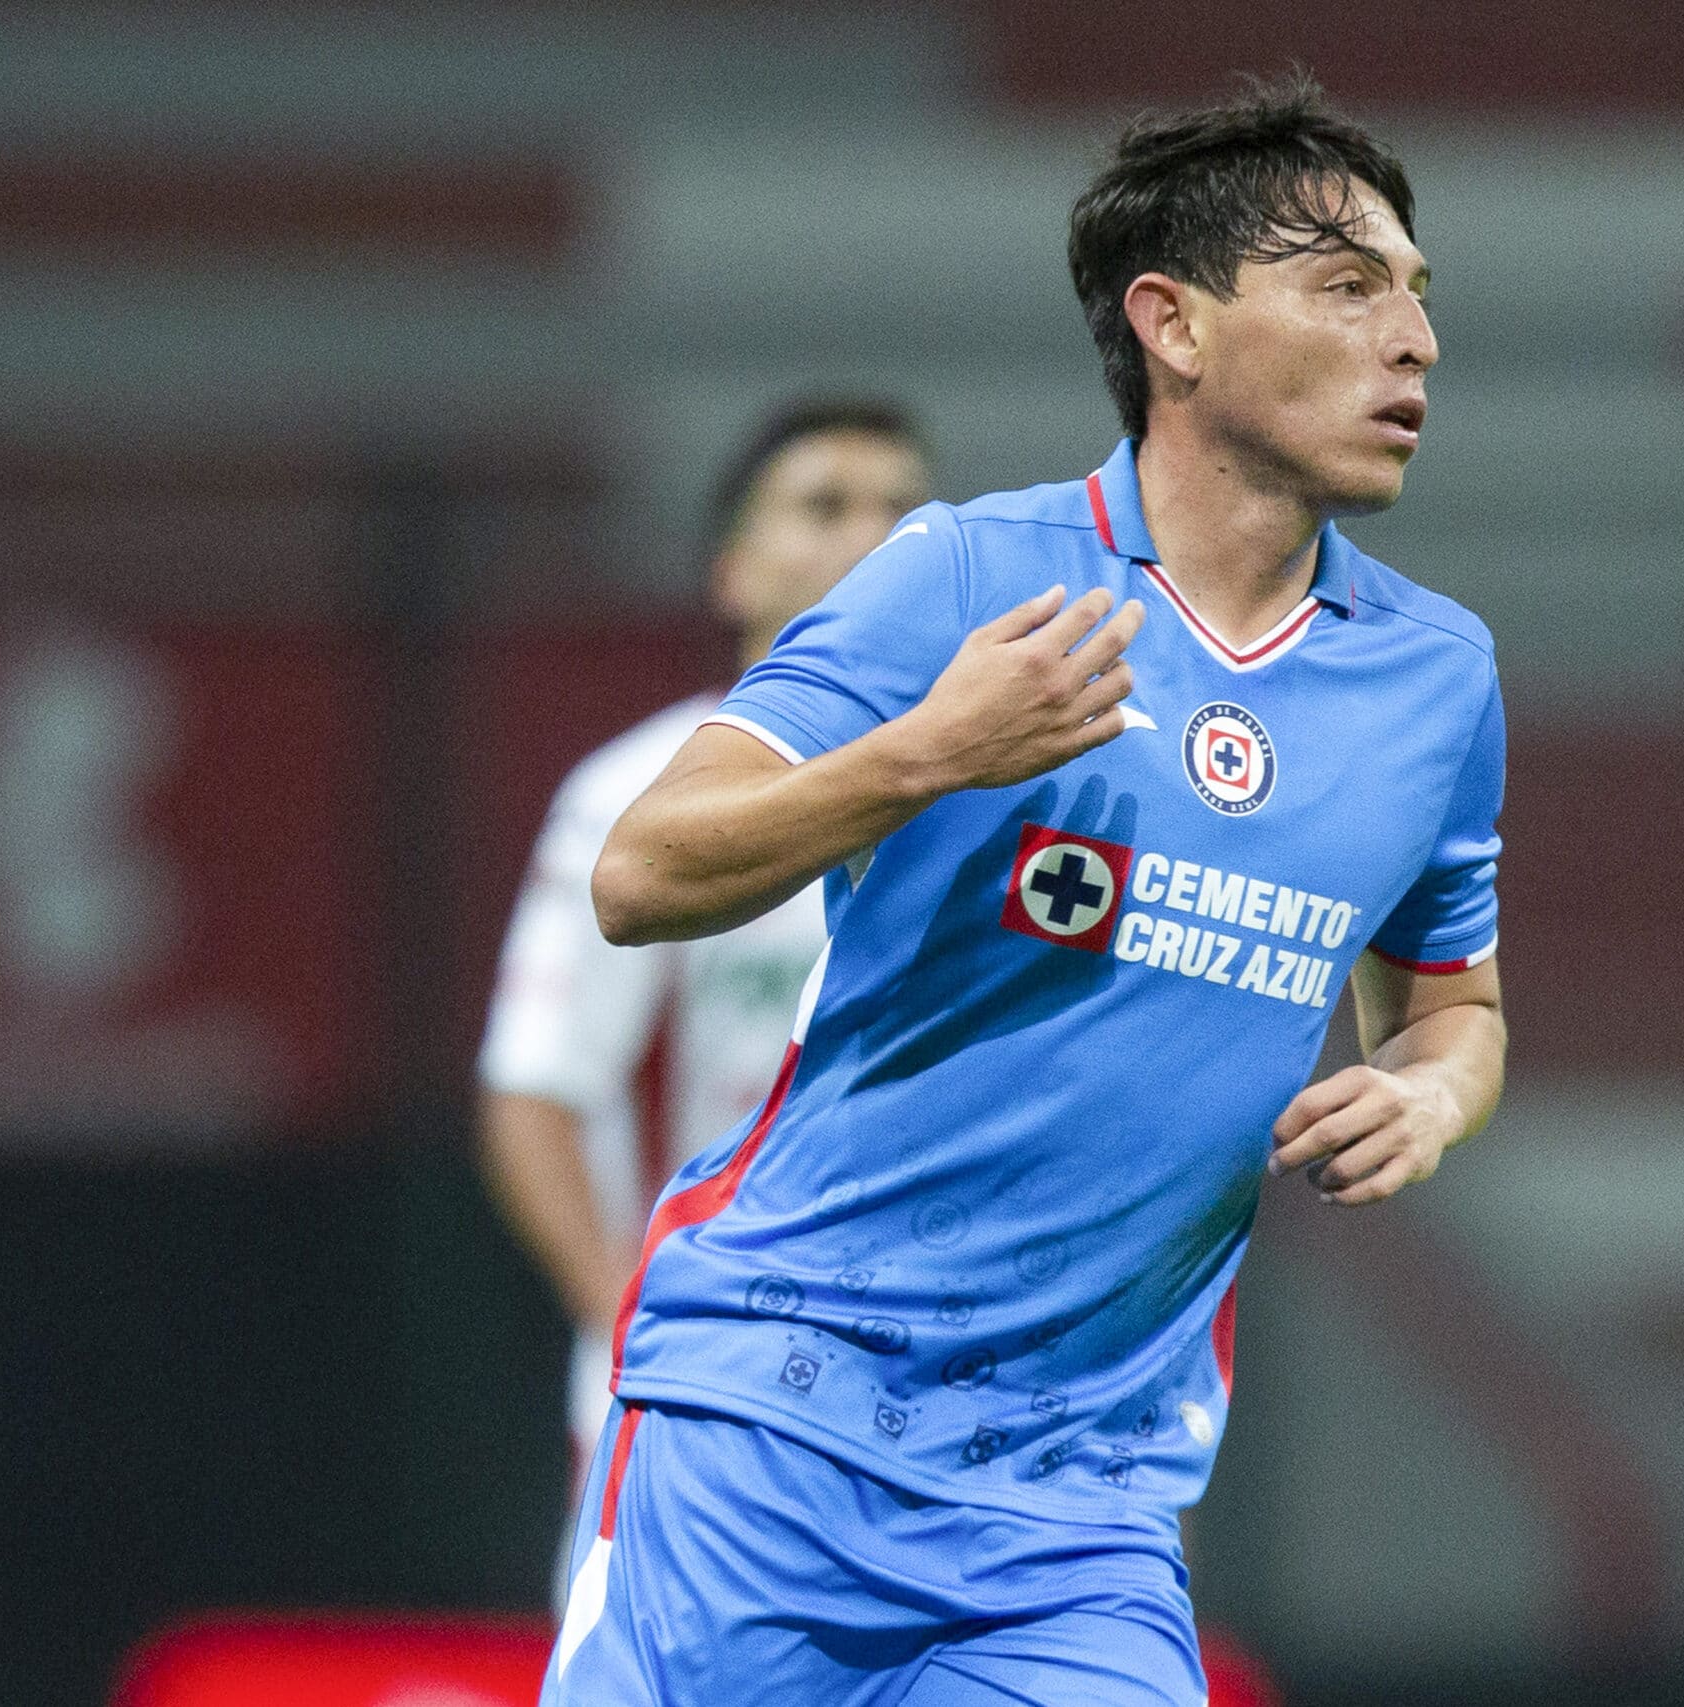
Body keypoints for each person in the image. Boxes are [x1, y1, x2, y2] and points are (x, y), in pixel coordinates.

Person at [547, 75, 1505, 1706]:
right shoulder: (967, 577)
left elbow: (1456, 1010)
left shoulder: (1438, 679)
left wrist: (1429, 1095)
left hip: (1084, 1510)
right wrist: (924, 755)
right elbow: (640, 874)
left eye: (1417, 293)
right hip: (781, 1418)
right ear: (1175, 326)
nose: (1411, 337)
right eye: (1349, 286)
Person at [476, 399, 932, 1590]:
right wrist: (633, 1327)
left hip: (936, 1396)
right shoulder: (640, 804)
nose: (872, 533)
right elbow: (533, 1097)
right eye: (824, 504)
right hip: (706, 1398)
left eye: (900, 506)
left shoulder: (998, 799)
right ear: (732, 573)